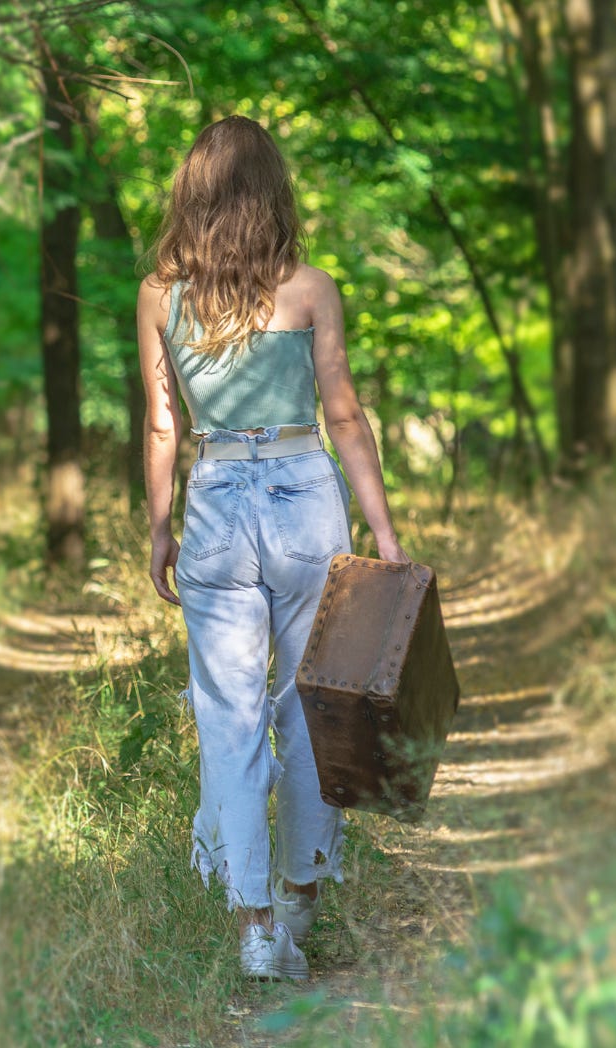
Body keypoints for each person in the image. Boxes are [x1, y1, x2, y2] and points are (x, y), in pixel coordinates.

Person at [136, 115, 407, 980]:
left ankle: (254, 927)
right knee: (308, 707)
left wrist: (159, 529)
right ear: (272, 193)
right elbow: (344, 415)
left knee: (229, 719)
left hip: (213, 503)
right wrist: (386, 532)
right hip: (303, 499)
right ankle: (298, 897)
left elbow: (160, 424)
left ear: (194, 194)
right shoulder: (310, 290)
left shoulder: (159, 296)